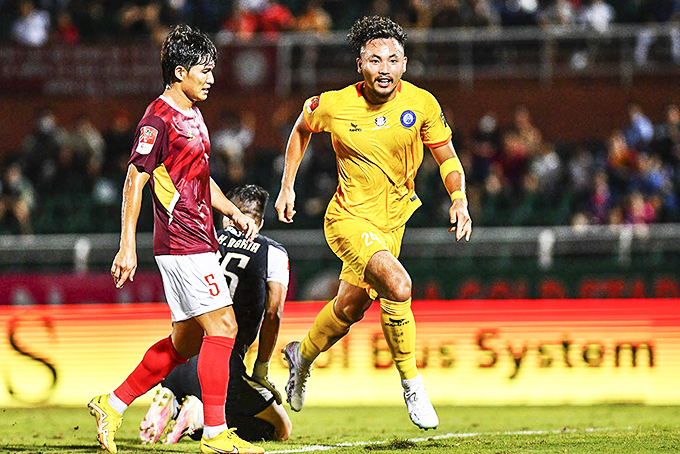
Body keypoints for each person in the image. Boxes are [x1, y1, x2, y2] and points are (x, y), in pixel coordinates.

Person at [274, 15, 472, 430]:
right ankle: (412, 384)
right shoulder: (333, 103)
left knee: (349, 307)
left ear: (404, 64)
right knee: (399, 286)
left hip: (392, 224)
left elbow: (448, 157)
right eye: (375, 59)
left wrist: (459, 199)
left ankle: (301, 356)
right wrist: (287, 185)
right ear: (359, 65)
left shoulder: (422, 103)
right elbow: (300, 128)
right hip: (347, 218)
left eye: (393, 59)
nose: (385, 68)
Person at [87, 24, 264, 454]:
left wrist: (233, 211)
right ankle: (215, 433)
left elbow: (199, 180)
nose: (212, 78)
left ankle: (111, 404)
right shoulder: (157, 119)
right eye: (204, 70)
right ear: (180, 71)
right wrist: (126, 244)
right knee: (225, 326)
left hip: (201, 237)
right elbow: (135, 179)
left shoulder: (194, 115)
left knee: (185, 342)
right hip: (182, 241)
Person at [138, 184, 292, 444]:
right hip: (222, 368)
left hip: (181, 360)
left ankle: (173, 396)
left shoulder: (203, 241)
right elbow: (273, 312)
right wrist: (262, 368)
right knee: (281, 429)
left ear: (226, 214)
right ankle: (197, 418)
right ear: (261, 222)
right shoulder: (273, 252)